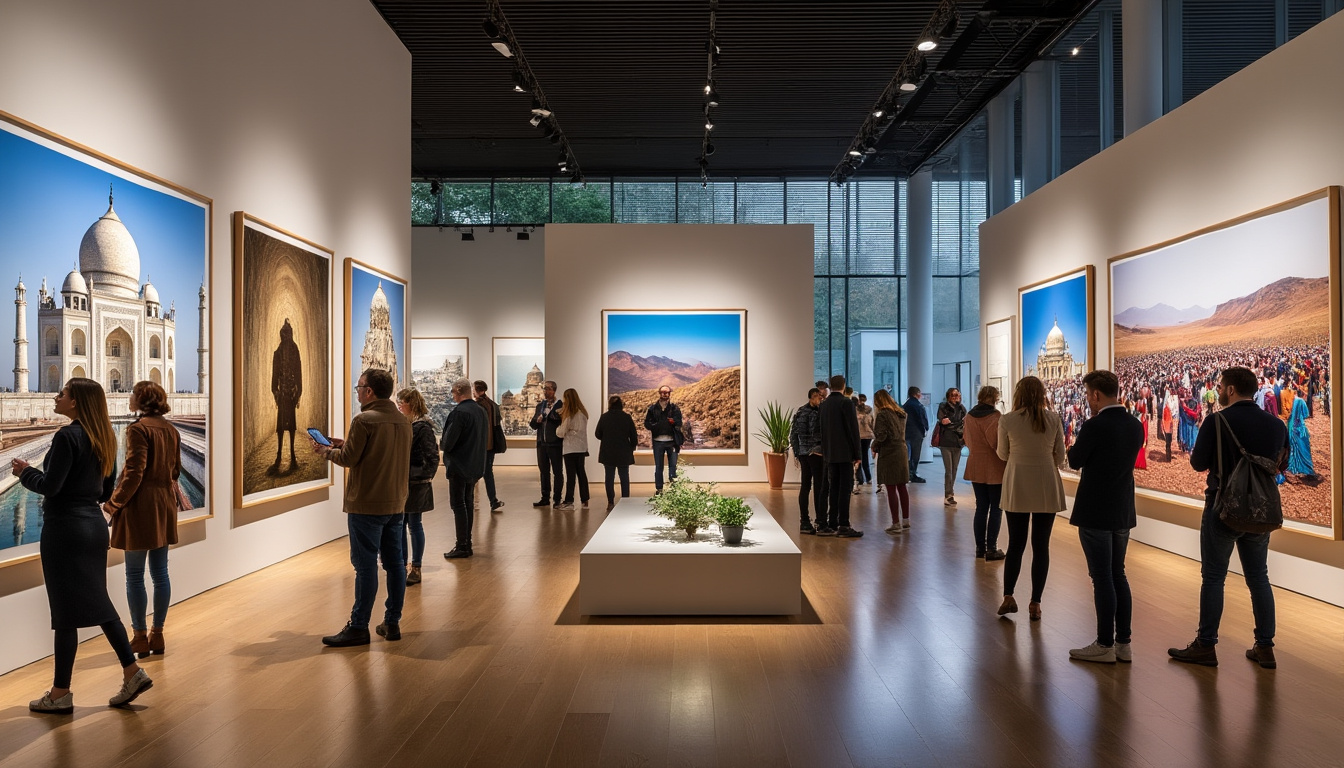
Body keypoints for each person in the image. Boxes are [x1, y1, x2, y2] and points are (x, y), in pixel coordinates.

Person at [17, 378, 152, 713]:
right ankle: (129, 672)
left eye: (62, 393)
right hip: (92, 527)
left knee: (65, 612)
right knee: (95, 602)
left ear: (75, 401)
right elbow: (105, 491)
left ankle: (61, 693)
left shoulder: (67, 436)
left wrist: (25, 472)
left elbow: (51, 486)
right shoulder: (104, 437)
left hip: (65, 529)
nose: (56, 396)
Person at [1169, 366, 1289, 669]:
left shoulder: (1217, 420)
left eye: (1221, 386)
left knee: (1213, 578)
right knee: (1259, 578)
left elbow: (1198, 463)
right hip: (1260, 510)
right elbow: (1282, 464)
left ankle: (1206, 645)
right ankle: (1265, 647)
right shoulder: (1276, 425)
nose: (1218, 390)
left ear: (1231, 389)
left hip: (1221, 507)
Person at [312, 368, 411, 646]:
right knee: (395, 564)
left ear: (369, 391)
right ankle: (392, 622)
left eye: (359, 388)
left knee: (365, 567)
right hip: (396, 503)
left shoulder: (363, 420)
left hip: (367, 503)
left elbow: (349, 460)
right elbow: (377, 453)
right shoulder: (403, 421)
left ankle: (358, 626)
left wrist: (325, 451)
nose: (357, 393)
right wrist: (346, 445)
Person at [1065, 370, 1145, 664]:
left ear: (1096, 394)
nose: (1088, 399)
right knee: (1118, 574)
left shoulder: (1094, 426)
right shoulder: (1135, 425)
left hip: (1095, 510)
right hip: (1122, 509)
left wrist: (1072, 446)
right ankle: (1124, 643)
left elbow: (1075, 461)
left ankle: (1104, 644)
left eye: (1088, 394)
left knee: (1101, 578)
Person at [104, 380, 181, 659]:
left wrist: (112, 505)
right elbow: (176, 471)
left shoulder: (138, 429)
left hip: (140, 507)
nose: (129, 397)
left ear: (143, 400)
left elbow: (134, 473)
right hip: (164, 504)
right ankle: (157, 635)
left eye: (134, 394)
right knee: (160, 574)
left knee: (134, 576)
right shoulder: (171, 430)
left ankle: (139, 637)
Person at [996, 376, 1067, 621]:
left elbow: (1002, 454)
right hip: (1046, 481)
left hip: (1017, 481)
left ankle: (1008, 595)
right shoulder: (1053, 418)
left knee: (1016, 544)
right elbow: (1060, 456)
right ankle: (1036, 602)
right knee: (1041, 546)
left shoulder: (1007, 419)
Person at [441, 377, 487, 558]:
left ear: (459, 391)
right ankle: (466, 543)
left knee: (458, 504)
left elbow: (448, 443)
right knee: (467, 502)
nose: (452, 395)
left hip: (459, 465)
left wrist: (443, 444)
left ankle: (462, 545)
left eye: (453, 392)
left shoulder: (459, 413)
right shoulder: (480, 411)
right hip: (474, 464)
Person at [396, 388, 438, 585]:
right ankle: (402, 565)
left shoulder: (422, 428)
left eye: (401, 403)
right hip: (405, 482)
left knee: (413, 524)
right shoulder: (411, 425)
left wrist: (422, 476)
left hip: (415, 483)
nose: (399, 406)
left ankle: (416, 566)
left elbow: (432, 457)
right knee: (402, 525)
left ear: (410, 404)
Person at [962, 385, 1006, 561]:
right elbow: (996, 443)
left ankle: (980, 548)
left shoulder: (969, 416)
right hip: (994, 465)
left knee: (981, 507)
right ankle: (991, 548)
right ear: (994, 398)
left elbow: (967, 440)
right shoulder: (995, 416)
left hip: (975, 463)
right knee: (996, 507)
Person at [819, 374, 863, 538]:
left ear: (830, 386)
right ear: (843, 386)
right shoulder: (846, 403)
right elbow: (853, 430)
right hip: (845, 453)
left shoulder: (824, 404)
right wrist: (857, 453)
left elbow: (822, 430)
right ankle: (843, 524)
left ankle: (832, 522)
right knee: (845, 489)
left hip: (830, 453)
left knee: (834, 488)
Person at [870, 388, 909, 535]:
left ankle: (895, 523)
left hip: (889, 452)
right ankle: (906, 520)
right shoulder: (901, 413)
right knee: (902, 486)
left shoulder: (882, 414)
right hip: (902, 450)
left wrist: (874, 445)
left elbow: (882, 435)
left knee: (891, 487)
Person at [790, 387, 826, 535]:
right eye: (819, 396)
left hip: (804, 454)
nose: (821, 399)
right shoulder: (815, 413)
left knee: (806, 486)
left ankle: (805, 521)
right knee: (818, 487)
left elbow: (793, 434)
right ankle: (819, 521)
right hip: (814, 454)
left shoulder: (800, 412)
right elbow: (816, 433)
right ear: (813, 397)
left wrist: (797, 452)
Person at [594, 395, 637, 509]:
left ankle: (610, 502)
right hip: (624, 451)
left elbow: (597, 434)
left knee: (609, 477)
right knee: (624, 477)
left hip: (608, 451)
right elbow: (633, 435)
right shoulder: (626, 417)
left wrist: (607, 438)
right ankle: (625, 502)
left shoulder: (604, 417)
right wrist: (632, 447)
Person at [271, 318, 302, 473]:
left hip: (290, 395)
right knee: (281, 427)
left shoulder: (295, 352)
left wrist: (298, 394)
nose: (286, 337)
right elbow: (274, 377)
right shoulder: (277, 354)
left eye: (287, 334)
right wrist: (276, 393)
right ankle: (279, 454)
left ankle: (292, 454)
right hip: (283, 395)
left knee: (291, 427)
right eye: (284, 334)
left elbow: (299, 374)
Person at [530, 380, 564, 507]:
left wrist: (549, 414)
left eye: (548, 389)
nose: (546, 391)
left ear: (554, 390)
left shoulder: (560, 405)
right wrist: (537, 420)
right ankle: (545, 497)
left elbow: (561, 422)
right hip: (542, 443)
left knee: (557, 472)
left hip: (555, 443)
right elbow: (533, 425)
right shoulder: (540, 406)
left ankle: (557, 498)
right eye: (544, 389)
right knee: (544, 471)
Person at [644, 386, 683, 493]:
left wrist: (673, 422)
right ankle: (659, 489)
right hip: (658, 441)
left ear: (669, 393)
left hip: (672, 441)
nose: (664, 394)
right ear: (659, 393)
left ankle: (674, 490)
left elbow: (679, 422)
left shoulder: (675, 408)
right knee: (659, 467)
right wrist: (657, 426)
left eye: (667, 392)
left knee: (673, 466)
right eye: (662, 392)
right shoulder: (652, 409)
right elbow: (647, 423)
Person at [557, 388, 590, 510]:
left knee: (570, 476)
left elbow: (561, 433)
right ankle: (585, 500)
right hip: (581, 448)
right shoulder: (583, 414)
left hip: (570, 448)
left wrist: (557, 428)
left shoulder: (569, 416)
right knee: (581, 474)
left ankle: (569, 501)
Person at [474, 380, 505, 512]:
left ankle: (472, 501)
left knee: (474, 473)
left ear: (477, 390)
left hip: (482, 445)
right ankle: (493, 500)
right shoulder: (492, 404)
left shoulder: (478, 405)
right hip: (491, 445)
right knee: (488, 473)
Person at [936, 388, 967, 506]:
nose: (955, 397)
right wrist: (955, 424)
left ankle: (951, 493)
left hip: (957, 442)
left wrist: (952, 423)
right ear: (948, 396)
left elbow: (963, 423)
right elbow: (943, 421)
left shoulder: (962, 408)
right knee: (948, 470)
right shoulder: (943, 406)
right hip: (946, 442)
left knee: (954, 469)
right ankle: (948, 495)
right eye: (953, 395)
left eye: (957, 394)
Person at [903, 386, 929, 483]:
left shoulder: (905, 405)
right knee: (915, 454)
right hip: (916, 432)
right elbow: (921, 419)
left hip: (906, 432)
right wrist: (925, 429)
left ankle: (907, 473)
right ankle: (912, 474)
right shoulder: (918, 405)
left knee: (907, 454)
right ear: (917, 394)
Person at [1287, 393, 1316, 478]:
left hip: (1291, 427)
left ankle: (1295, 466)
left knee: (1294, 447)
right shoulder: (1301, 401)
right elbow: (1306, 414)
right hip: (1300, 428)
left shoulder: (1291, 400)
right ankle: (1304, 467)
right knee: (1304, 447)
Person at [854, 394, 875, 492]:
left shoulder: (855, 410)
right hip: (868, 435)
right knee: (865, 456)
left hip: (858, 435)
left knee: (858, 456)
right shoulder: (870, 410)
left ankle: (860, 479)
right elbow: (872, 423)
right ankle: (868, 477)